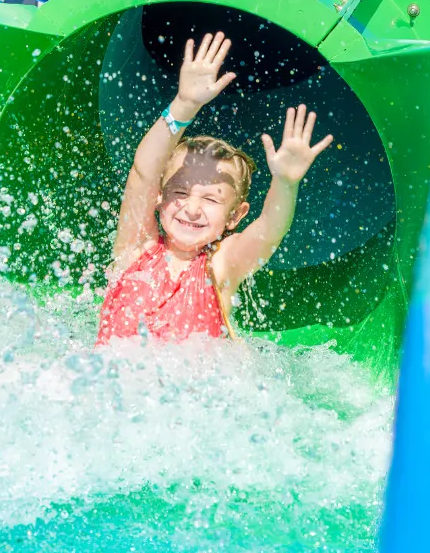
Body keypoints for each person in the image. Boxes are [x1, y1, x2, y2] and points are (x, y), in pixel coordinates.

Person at [96, 31, 334, 344]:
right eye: (180, 193)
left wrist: (286, 183)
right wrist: (182, 106)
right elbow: (143, 172)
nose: (192, 208)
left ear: (235, 215)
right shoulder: (135, 246)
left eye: (211, 199)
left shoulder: (221, 266)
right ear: (159, 195)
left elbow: (269, 231)